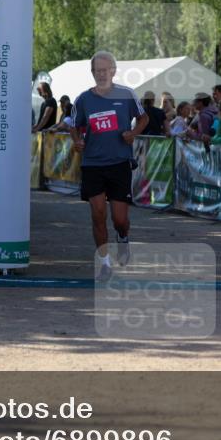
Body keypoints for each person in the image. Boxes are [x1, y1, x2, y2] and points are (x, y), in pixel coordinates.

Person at [69, 51, 148, 281]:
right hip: (92, 164)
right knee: (98, 214)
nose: (102, 74)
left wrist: (133, 133)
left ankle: (123, 238)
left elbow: (143, 118)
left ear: (113, 71)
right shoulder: (83, 99)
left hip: (119, 164)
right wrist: (77, 141)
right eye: (97, 71)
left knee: (119, 220)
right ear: (92, 73)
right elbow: (73, 124)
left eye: (105, 70)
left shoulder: (126, 94)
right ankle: (104, 263)